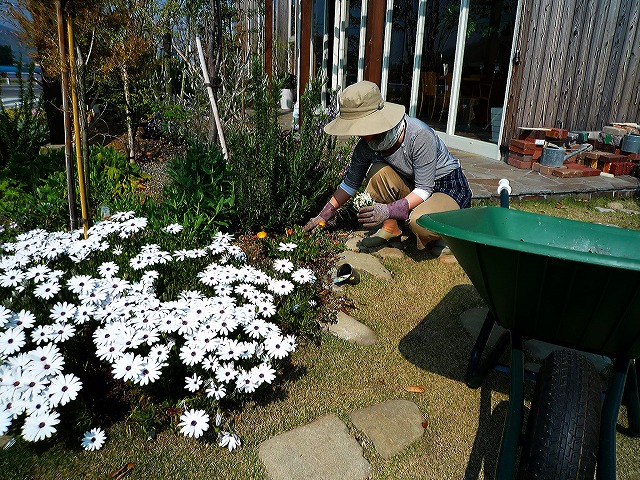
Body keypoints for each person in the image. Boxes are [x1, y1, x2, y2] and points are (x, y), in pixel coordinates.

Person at [303, 80, 472, 256]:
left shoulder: (418, 135)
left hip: (445, 187)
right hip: (413, 184)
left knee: (420, 223)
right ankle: (391, 230)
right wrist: (324, 214)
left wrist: (388, 210)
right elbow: (350, 184)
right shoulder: (367, 145)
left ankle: (450, 235)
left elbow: (424, 189)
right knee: (378, 172)